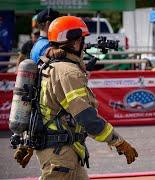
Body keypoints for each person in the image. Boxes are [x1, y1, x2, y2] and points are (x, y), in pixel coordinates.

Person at [14, 16, 138, 179]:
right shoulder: (68, 72)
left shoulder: (48, 66)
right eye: (82, 40)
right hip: (61, 158)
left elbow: (42, 109)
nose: (84, 44)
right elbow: (86, 118)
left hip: (63, 155)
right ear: (74, 42)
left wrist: (28, 143)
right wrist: (118, 142)